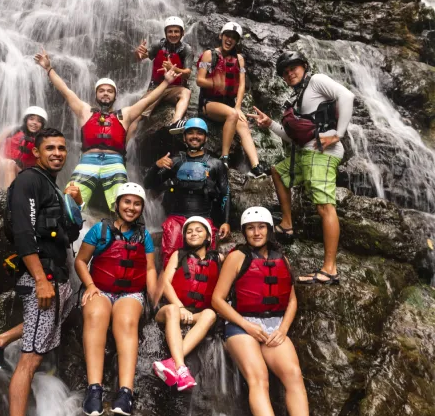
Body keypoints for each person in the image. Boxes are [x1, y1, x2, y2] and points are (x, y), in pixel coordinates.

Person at [210, 207, 323, 416]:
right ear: (244, 231)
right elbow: (217, 299)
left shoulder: (281, 257)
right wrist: (247, 325)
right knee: (258, 377)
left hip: (274, 326)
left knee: (293, 374)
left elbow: (292, 299)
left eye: (261, 227)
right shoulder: (237, 256)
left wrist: (283, 329)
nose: (257, 232)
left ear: (269, 230)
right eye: (251, 228)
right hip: (241, 325)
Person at [0, 128, 76, 416]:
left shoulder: (51, 185)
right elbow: (25, 233)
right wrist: (40, 279)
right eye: (50, 148)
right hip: (42, 278)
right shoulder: (29, 180)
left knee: (50, 325)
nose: (57, 153)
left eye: (61, 148)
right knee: (31, 359)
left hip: (59, 277)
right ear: (38, 152)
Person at [249, 51, 354, 285]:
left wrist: (338, 134)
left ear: (304, 67)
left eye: (294, 68)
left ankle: (329, 269)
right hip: (305, 152)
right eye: (285, 72)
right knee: (278, 171)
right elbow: (294, 137)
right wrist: (270, 124)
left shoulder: (316, 81)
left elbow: (347, 96)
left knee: (325, 207)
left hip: (321, 153)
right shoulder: (298, 96)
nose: (290, 73)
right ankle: (287, 225)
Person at [33, 49, 179, 211]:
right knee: (69, 199)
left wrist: (166, 82)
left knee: (122, 205)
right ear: (96, 94)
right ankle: (69, 229)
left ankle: (121, 233)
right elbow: (65, 91)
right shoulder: (85, 111)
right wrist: (48, 69)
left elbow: (148, 100)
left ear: (115, 96)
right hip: (88, 161)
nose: (105, 94)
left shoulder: (125, 114)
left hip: (114, 163)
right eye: (101, 91)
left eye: (110, 91)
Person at [75, 183, 157, 416]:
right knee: (96, 315)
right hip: (99, 289)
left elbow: (150, 268)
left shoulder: (144, 236)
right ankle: (94, 389)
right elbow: (81, 261)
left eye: (137, 204)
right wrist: (90, 285)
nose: (131, 208)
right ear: (117, 204)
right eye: (127, 202)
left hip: (130, 293)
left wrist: (154, 294)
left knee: (127, 321)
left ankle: (125, 392)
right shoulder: (100, 230)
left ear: (142, 208)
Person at [143, 117, 230, 268]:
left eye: (199, 133)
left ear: (206, 138)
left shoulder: (216, 164)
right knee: (170, 259)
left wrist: (226, 222)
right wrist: (156, 166)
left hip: (203, 218)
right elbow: (148, 184)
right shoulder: (175, 161)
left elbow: (225, 194)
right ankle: (169, 286)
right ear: (184, 137)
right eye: (190, 133)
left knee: (204, 262)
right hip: (176, 218)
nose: (195, 136)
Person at [152, 216, 220, 391]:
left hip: (196, 313)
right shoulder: (178, 255)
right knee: (173, 310)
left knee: (210, 314)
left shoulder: (219, 258)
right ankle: (181, 367)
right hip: (170, 310)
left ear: (208, 237)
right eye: (189, 231)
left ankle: (172, 363)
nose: (193, 234)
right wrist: (180, 307)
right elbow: (166, 283)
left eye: (198, 230)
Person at [195, 21, 267, 178]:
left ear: (237, 41)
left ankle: (256, 166)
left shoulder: (239, 59)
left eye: (233, 38)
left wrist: (238, 106)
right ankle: (224, 157)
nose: (229, 40)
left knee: (243, 124)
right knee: (233, 115)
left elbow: (241, 85)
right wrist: (215, 82)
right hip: (208, 103)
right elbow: (200, 80)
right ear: (221, 36)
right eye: (227, 35)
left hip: (229, 105)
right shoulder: (209, 55)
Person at [131, 16, 193, 137]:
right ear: (165, 33)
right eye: (170, 31)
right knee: (136, 117)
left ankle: (176, 122)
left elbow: (188, 73)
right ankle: (123, 151)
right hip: (156, 88)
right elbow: (141, 58)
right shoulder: (158, 45)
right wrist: (138, 53)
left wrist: (173, 69)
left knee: (186, 92)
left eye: (176, 31)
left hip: (174, 88)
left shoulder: (186, 49)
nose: (173, 34)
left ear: (182, 33)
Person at [0, 106, 47, 189]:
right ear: (26, 120)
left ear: (42, 125)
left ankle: (8, 197)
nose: (34, 123)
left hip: (27, 174)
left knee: (9, 164)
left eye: (39, 121)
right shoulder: (12, 130)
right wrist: (0, 158)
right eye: (31, 119)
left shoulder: (43, 140)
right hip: (5, 166)